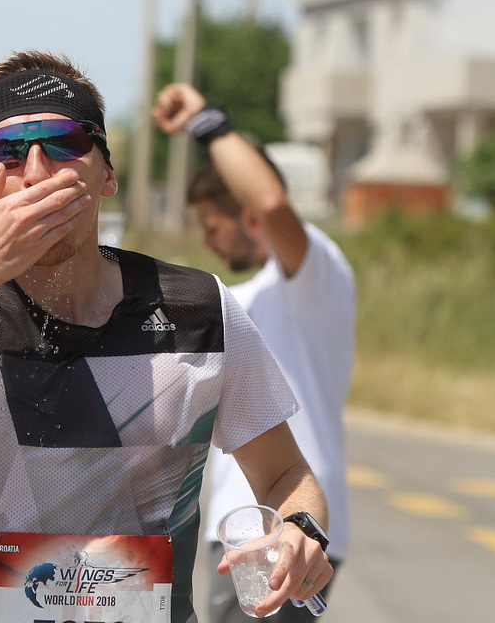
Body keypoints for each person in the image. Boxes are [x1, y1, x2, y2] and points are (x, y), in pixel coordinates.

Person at [0, 51, 333, 623]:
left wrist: (298, 529)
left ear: (106, 175)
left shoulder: (196, 309)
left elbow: (289, 475)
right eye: (4, 152)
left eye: (64, 141)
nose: (37, 172)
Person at [153, 81, 356, 623]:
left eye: (212, 225)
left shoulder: (312, 278)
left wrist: (206, 124)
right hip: (238, 528)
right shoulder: (234, 301)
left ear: (245, 218)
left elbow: (269, 199)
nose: (208, 241)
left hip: (292, 527)